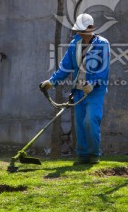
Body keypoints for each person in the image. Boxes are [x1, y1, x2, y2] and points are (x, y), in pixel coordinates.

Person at [40, 13, 110, 164]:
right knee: (80, 124)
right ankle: (83, 155)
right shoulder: (74, 44)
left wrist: (93, 83)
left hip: (95, 90)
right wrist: (52, 82)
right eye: (79, 31)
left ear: (91, 28)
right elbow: (65, 66)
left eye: (83, 30)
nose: (80, 34)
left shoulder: (103, 44)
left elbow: (103, 70)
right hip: (78, 90)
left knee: (91, 120)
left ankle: (94, 155)